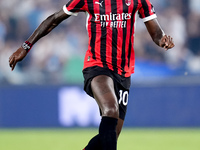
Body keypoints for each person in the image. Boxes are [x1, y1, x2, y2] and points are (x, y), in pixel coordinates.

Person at [9, 0, 175, 149]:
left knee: (111, 135)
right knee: (110, 110)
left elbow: (156, 34)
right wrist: (25, 46)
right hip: (97, 66)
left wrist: (162, 41)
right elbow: (54, 19)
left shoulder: (138, 1)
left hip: (123, 73)